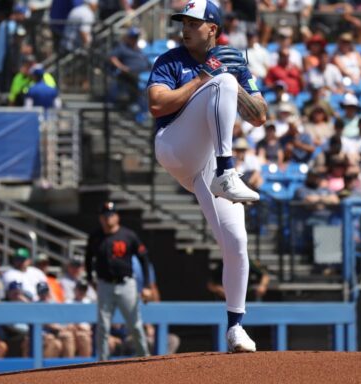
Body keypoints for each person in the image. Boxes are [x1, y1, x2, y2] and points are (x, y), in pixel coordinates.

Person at [147, 0, 267, 352]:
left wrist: (234, 84)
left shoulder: (232, 59)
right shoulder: (171, 60)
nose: (185, 28)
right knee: (221, 82)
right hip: (174, 145)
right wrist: (206, 78)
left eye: (193, 23)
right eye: (183, 21)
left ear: (212, 28)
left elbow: (259, 115)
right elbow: (156, 104)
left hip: (207, 163)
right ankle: (228, 172)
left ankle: (235, 327)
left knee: (236, 242)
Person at [85, 202, 151, 360]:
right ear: (100, 218)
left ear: (117, 217)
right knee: (103, 326)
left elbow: (144, 259)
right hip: (105, 284)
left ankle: (145, 357)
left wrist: (147, 285)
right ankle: (102, 360)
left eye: (111, 215)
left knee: (135, 324)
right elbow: (88, 259)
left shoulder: (128, 235)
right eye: (105, 216)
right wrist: (90, 279)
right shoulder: (95, 237)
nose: (108, 219)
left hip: (126, 283)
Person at [0, 5, 28, 94]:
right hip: (6, 67)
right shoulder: (11, 26)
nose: (23, 18)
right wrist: (15, 65)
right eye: (22, 15)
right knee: (8, 93)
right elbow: (12, 48)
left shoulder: (3, 24)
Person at [109, 27, 151, 105]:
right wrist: (122, 67)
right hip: (130, 74)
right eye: (133, 37)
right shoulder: (122, 47)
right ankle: (135, 103)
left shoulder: (139, 48)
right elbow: (112, 58)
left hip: (144, 72)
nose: (135, 39)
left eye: (136, 37)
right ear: (128, 37)